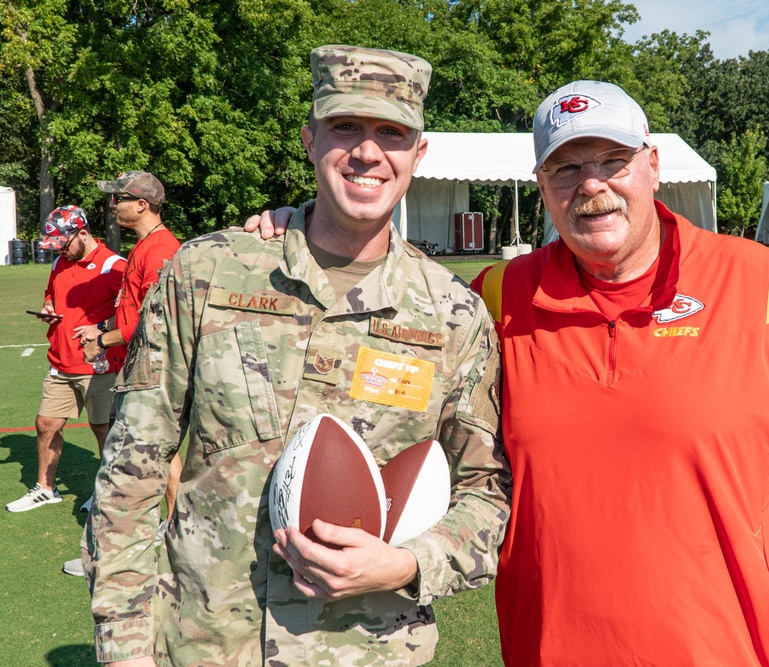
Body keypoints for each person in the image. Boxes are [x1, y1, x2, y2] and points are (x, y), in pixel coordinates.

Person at [249, 80, 769, 666]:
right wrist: (317, 234)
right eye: (565, 169)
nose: (590, 185)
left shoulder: (764, 285)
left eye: (611, 162)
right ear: (542, 186)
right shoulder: (499, 299)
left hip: (744, 649)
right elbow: (383, 346)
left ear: (652, 168)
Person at [85, 45, 509, 667]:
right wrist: (125, 647)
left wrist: (412, 561)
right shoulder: (207, 272)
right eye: (346, 127)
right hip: (205, 645)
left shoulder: (453, 315)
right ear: (310, 141)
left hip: (368, 651)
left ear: (418, 155)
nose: (367, 152)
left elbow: (485, 493)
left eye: (391, 133)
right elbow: (132, 470)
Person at [61, 171, 181, 578]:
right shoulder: (147, 247)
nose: (112, 206)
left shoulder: (161, 249)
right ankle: (169, 539)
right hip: (141, 367)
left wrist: (103, 336)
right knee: (159, 460)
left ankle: (111, 557)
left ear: (141, 205)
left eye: (119, 199)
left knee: (124, 466)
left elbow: (152, 321)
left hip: (150, 370)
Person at [6, 206, 124, 516]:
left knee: (103, 429)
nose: (60, 250)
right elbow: (51, 294)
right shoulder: (61, 261)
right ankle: (46, 489)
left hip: (98, 365)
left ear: (82, 233)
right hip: (60, 361)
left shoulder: (114, 266)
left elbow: (132, 315)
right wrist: (48, 308)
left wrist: (100, 327)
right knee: (46, 424)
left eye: (64, 243)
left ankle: (107, 493)